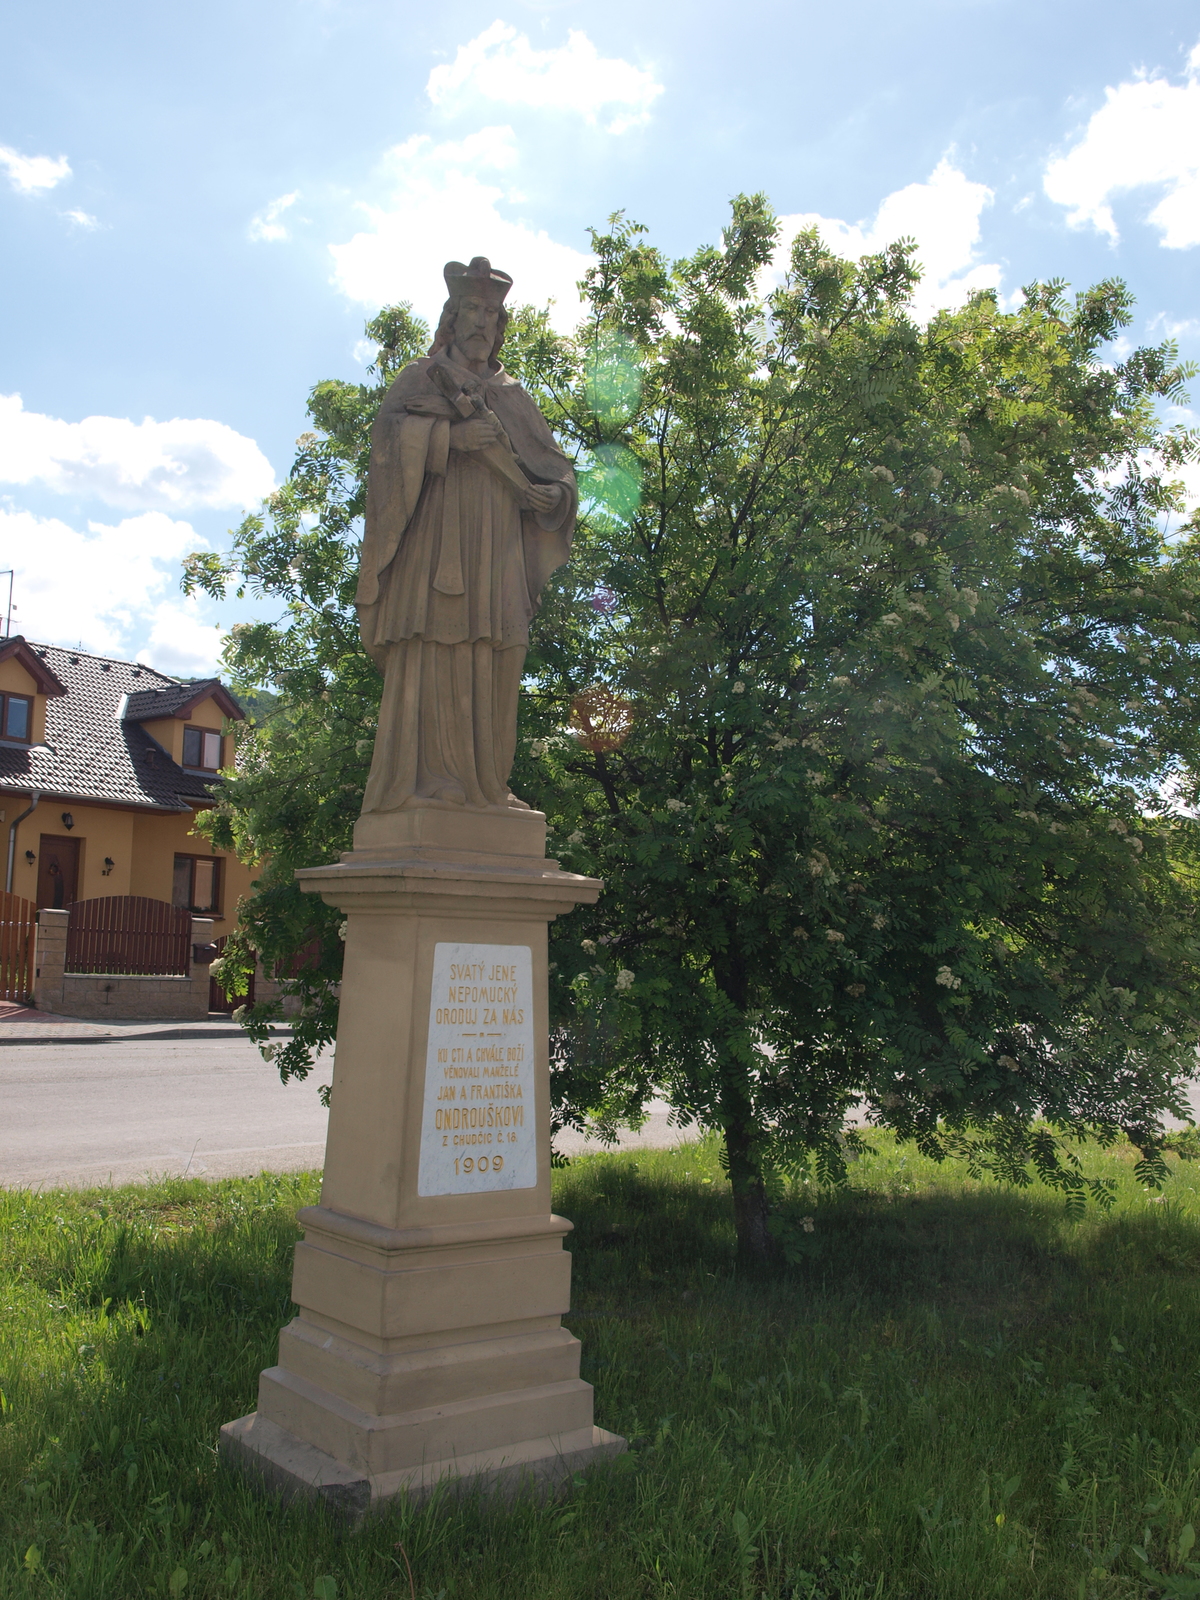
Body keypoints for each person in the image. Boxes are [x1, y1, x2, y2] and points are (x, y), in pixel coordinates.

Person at [356, 257, 577, 812]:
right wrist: (448, 441)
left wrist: (555, 496)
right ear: (452, 318)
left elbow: (554, 467)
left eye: (491, 313)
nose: (482, 321)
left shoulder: (512, 394)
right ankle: (427, 782)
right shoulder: (421, 377)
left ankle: (489, 786)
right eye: (472, 309)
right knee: (435, 645)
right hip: (437, 541)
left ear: (501, 326)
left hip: (499, 547)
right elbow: (384, 450)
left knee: (501, 652)